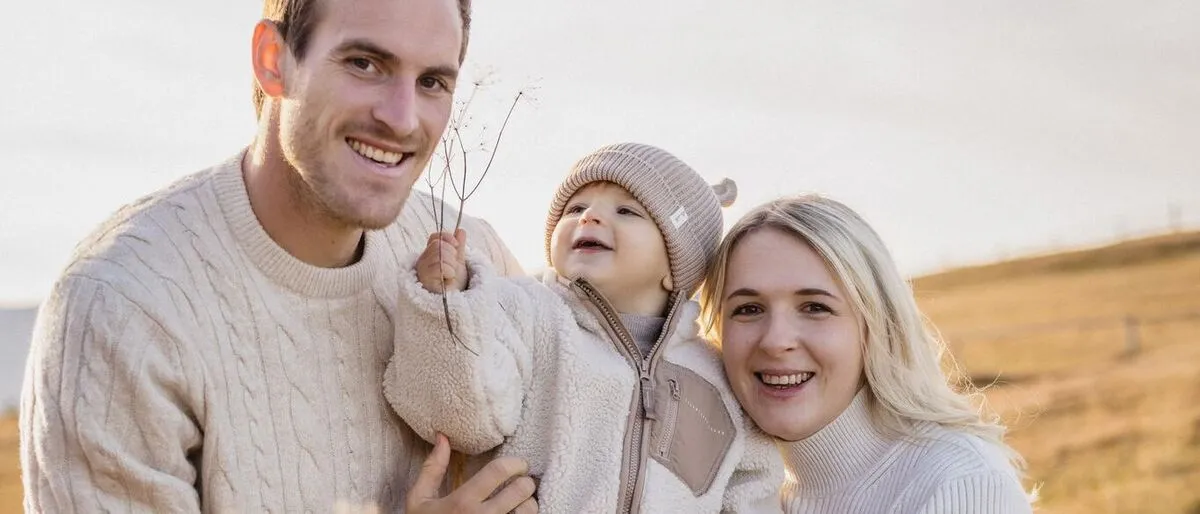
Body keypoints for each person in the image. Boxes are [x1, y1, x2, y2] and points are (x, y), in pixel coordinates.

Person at [19, 0, 540, 511]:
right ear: (274, 59)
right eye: (364, 63)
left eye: (431, 81)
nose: (402, 119)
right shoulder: (122, 309)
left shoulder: (472, 259)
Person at [383, 143, 785, 512]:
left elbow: (752, 487)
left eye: (627, 211)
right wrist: (444, 304)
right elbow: (460, 418)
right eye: (575, 209)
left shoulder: (716, 378)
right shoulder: (527, 315)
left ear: (677, 267)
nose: (590, 216)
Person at [699, 195, 1034, 513]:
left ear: (876, 325)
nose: (775, 341)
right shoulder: (726, 491)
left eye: (815, 307)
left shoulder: (959, 482)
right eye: (748, 309)